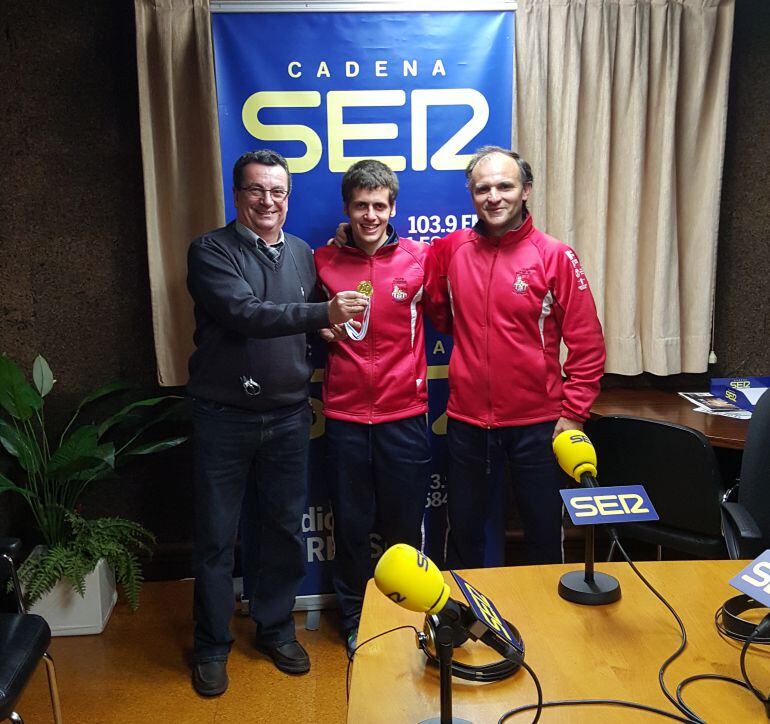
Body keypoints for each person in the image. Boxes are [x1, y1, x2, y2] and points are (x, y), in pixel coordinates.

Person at [186, 149, 369, 696]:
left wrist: (323, 332)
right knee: (218, 538)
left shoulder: (302, 254)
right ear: (237, 195)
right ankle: (213, 644)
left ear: (288, 198)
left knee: (283, 529)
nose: (268, 201)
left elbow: (302, 314)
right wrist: (324, 315)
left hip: (290, 416)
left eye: (278, 192)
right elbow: (247, 314)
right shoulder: (210, 251)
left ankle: (273, 629)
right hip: (224, 418)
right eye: (256, 191)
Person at [427, 146, 606, 567]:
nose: (494, 197)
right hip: (468, 423)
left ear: (525, 190)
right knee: (464, 533)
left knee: (543, 532)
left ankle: (548, 627)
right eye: (482, 188)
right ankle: (470, 623)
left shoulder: (555, 256)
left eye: (504, 186)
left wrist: (574, 413)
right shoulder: (450, 250)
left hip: (538, 425)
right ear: (471, 194)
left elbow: (587, 342)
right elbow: (438, 308)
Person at [315, 159, 438, 656]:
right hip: (344, 417)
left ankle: (406, 621)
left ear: (393, 208)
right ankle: (356, 618)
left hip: (404, 416)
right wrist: (315, 330)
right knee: (350, 526)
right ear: (347, 207)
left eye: (379, 205)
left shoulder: (420, 258)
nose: (370, 215)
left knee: (404, 527)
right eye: (361, 205)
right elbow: (295, 320)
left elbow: (462, 310)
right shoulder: (320, 261)